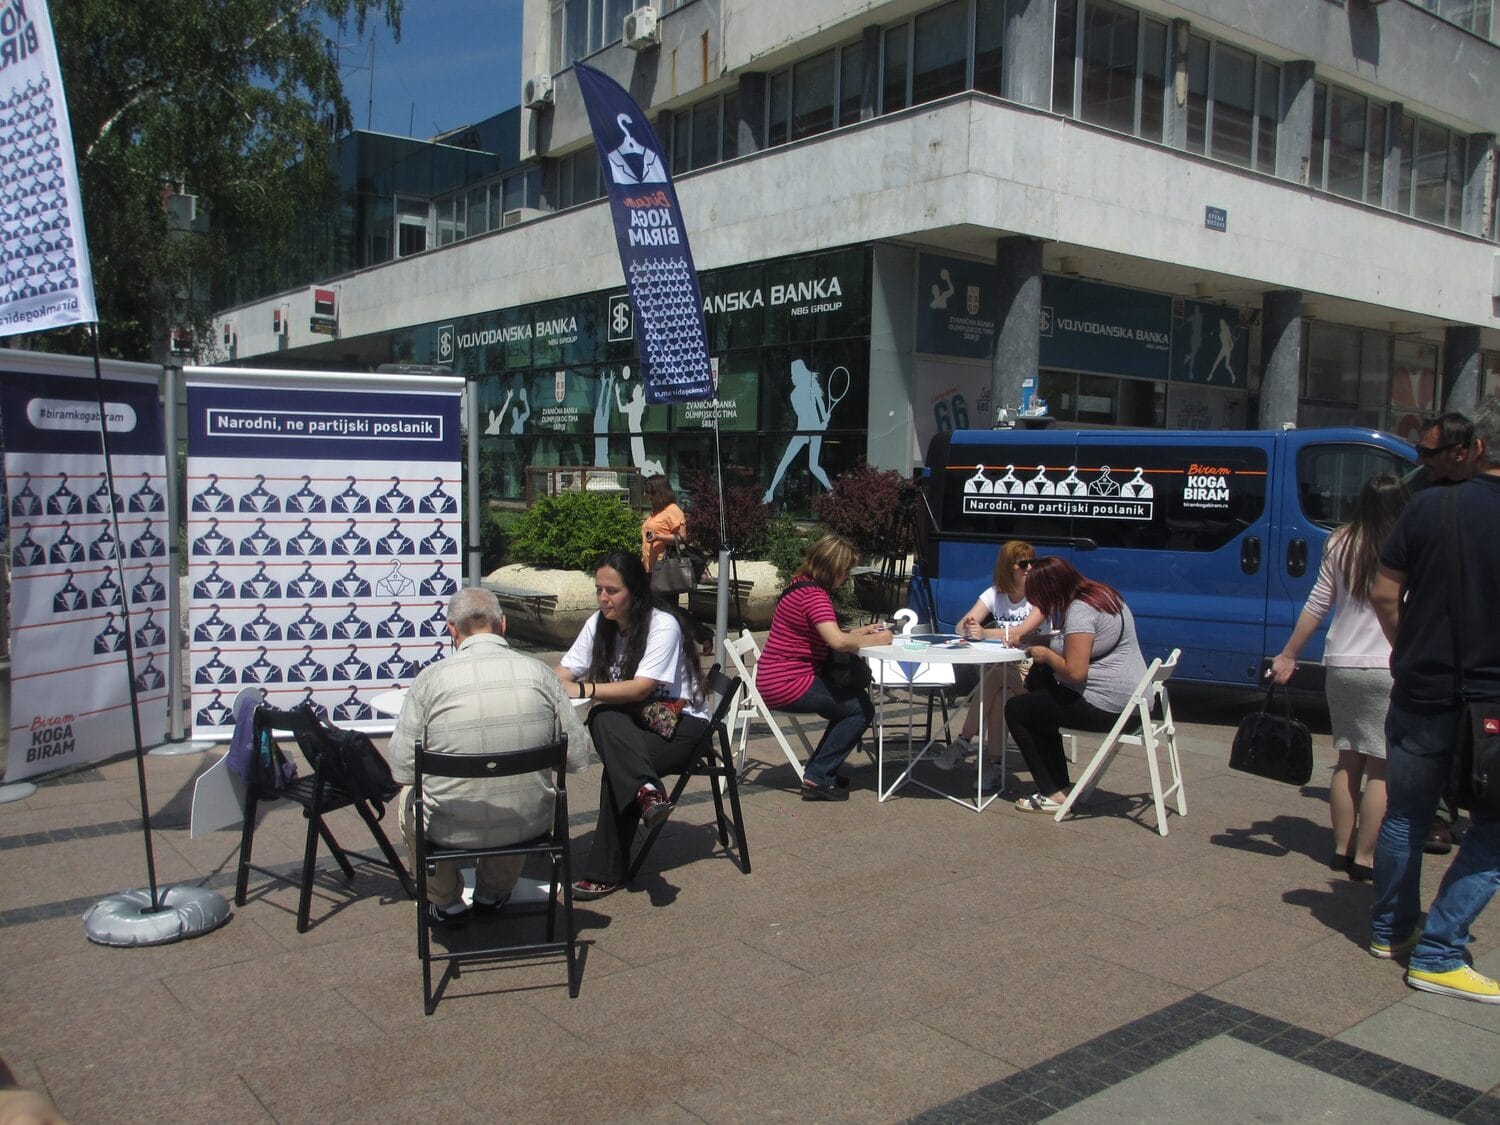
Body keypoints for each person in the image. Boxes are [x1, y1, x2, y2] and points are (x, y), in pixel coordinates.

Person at [1368, 394, 1500, 1003]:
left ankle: (1390, 930)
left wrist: (1405, 648)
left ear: (1474, 449)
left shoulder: (1425, 508)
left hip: (1421, 685)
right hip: (1488, 699)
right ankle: (1441, 948)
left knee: (1406, 814)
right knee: (1494, 829)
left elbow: (1383, 593)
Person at [387, 588, 590, 928]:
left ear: (452, 630)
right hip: (529, 824)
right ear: (504, 624)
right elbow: (578, 757)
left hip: (448, 828)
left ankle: (446, 901)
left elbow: (402, 769)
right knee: (522, 788)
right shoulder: (540, 675)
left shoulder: (429, 682)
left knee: (410, 798)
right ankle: (492, 893)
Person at [1270, 474, 1410, 881]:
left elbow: (1317, 603)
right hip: (1390, 663)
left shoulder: (1340, 541)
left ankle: (1339, 849)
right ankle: (1365, 858)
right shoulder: (1407, 544)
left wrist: (1290, 652)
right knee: (1381, 767)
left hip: (1343, 663)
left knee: (1346, 759)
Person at [555, 551, 708, 900]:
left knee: (619, 768)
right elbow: (565, 670)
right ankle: (648, 794)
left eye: (612, 591)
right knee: (604, 716)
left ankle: (605, 872)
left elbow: (640, 688)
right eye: (599, 590)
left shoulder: (662, 624)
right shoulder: (599, 622)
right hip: (637, 721)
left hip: (683, 724)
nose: (603, 598)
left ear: (635, 591)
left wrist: (583, 689)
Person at [1004, 556, 1147, 813]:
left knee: (1017, 710)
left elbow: (1075, 672)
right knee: (1040, 691)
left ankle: (1053, 791)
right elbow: (1075, 643)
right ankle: (1058, 782)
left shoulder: (1080, 611)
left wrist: (1045, 655)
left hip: (1110, 709)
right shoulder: (1104, 595)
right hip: (1138, 705)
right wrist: (1036, 640)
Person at [755, 534, 890, 801]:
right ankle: (817, 777)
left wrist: (861, 631)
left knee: (850, 704)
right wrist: (879, 638)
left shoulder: (800, 585)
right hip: (788, 683)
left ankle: (822, 771)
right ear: (833, 569)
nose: (846, 576)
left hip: (774, 677)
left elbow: (824, 632)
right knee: (860, 708)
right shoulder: (815, 596)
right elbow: (837, 641)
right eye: (845, 570)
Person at [1405, 410, 1479, 856]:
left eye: (1429, 451)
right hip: (1430, 645)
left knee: (1466, 742)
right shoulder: (1418, 494)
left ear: (1461, 451)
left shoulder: (1481, 496)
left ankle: (1459, 805)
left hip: (1477, 646)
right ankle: (1431, 814)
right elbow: (1388, 587)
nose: (1421, 458)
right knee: (1428, 743)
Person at [935, 539, 1044, 777]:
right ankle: (995, 766)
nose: (1029, 569)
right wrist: (970, 626)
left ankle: (964, 740)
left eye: (1032, 563)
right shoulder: (994, 594)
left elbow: (1020, 633)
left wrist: (984, 633)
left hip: (1032, 674)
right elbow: (959, 627)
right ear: (1008, 567)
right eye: (1023, 564)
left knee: (995, 674)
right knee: (1000, 694)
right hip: (1003, 670)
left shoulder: (1039, 596)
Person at [640, 473, 687, 573]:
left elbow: (681, 538)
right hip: (649, 566)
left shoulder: (672, 510)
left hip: (664, 567)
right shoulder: (656, 511)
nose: (647, 495)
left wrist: (658, 537)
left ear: (660, 492)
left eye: (650, 493)